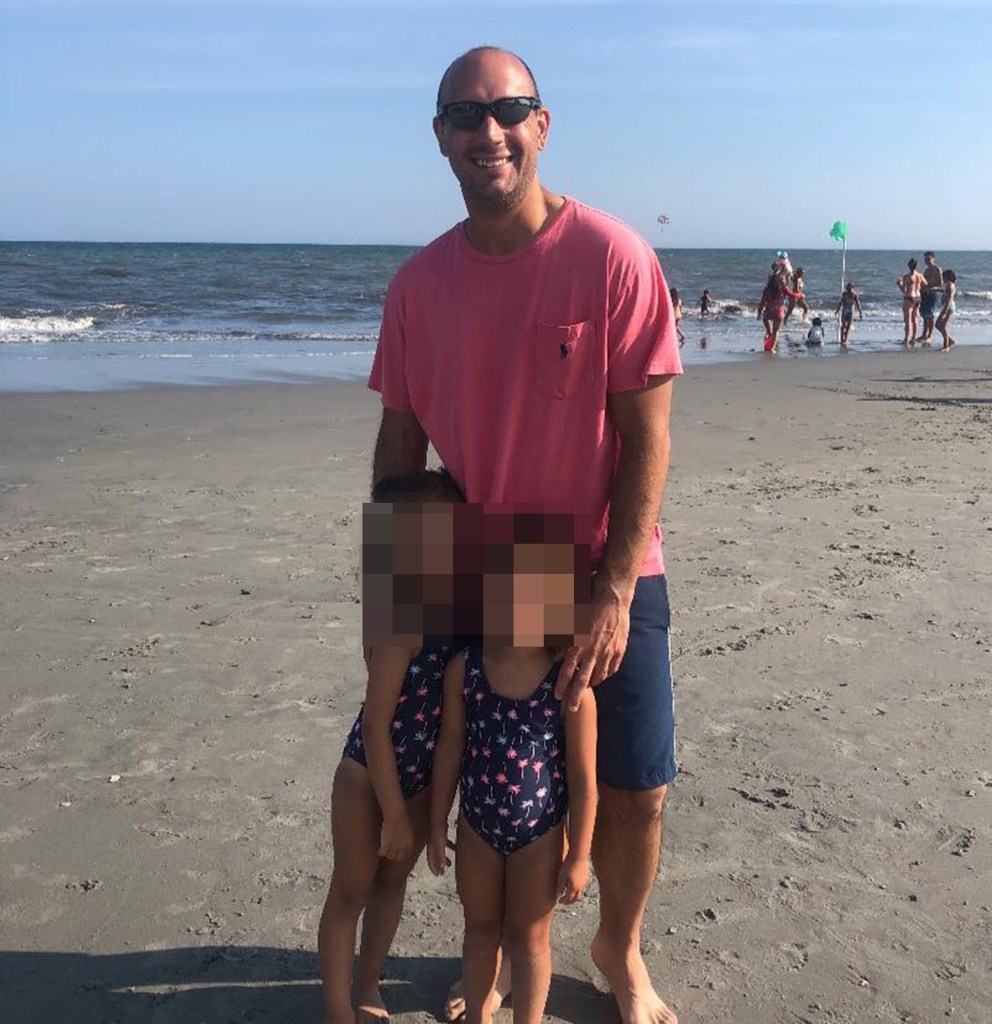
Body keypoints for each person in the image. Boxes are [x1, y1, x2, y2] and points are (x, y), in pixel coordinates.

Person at [369, 45, 682, 1024]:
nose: (486, 131)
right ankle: (499, 952)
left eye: (508, 110)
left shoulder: (611, 257)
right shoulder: (419, 285)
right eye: (464, 116)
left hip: (597, 562)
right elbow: (399, 445)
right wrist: (394, 605)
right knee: (473, 785)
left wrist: (617, 592)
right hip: (484, 565)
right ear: (440, 139)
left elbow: (646, 440)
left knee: (632, 788)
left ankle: (618, 952)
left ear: (541, 126)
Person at [427, 541, 599, 1024]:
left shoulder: (569, 686)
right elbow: (449, 748)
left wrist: (580, 854)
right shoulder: (467, 669)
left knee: (530, 939)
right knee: (479, 931)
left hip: (540, 837)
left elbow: (585, 780)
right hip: (476, 830)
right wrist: (437, 824)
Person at [318, 469, 463, 1024]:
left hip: (419, 778)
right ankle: (337, 1010)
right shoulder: (400, 621)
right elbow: (376, 728)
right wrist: (396, 818)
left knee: (391, 888)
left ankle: (367, 983)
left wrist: (426, 818)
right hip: (366, 778)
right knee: (351, 891)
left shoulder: (455, 617)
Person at [757, 263, 802, 354]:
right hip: (778, 313)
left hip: (768, 313)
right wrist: (800, 294)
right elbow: (793, 295)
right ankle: (772, 349)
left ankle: (768, 341)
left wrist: (759, 312)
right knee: (775, 332)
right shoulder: (783, 288)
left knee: (769, 332)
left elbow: (762, 302)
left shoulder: (767, 289)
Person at [897, 258, 927, 347]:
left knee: (908, 320)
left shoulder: (907, 276)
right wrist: (918, 287)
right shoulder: (920, 275)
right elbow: (925, 284)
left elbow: (904, 290)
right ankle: (913, 338)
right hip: (918, 297)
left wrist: (899, 284)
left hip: (909, 297)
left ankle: (906, 339)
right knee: (915, 319)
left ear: (909, 266)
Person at [917, 251, 944, 344]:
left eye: (928, 259)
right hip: (924, 294)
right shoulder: (926, 270)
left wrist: (930, 286)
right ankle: (924, 334)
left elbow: (940, 283)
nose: (927, 261)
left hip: (932, 293)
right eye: (925, 259)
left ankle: (929, 336)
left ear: (933, 259)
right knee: (925, 315)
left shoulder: (937, 269)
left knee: (930, 315)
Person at [834, 282, 863, 347]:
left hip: (851, 312)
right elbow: (840, 303)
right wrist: (837, 311)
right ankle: (842, 339)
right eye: (848, 288)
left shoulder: (854, 295)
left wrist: (860, 312)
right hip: (844, 312)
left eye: (851, 288)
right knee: (843, 326)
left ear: (853, 288)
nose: (850, 289)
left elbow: (858, 304)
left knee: (848, 327)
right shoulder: (844, 294)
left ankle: (845, 339)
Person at [937, 268, 957, 351]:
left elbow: (949, 299)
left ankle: (946, 346)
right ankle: (949, 341)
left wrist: (945, 311)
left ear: (947, 277)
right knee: (940, 325)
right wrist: (936, 290)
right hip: (947, 306)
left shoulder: (950, 286)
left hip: (948, 307)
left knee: (940, 325)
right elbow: (945, 292)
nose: (942, 279)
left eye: (943, 277)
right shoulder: (948, 285)